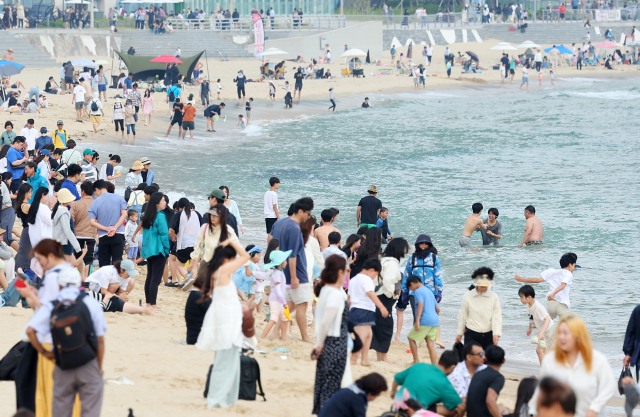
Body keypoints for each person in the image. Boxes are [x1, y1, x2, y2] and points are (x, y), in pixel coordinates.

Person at [25, 268, 106, 417]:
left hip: (63, 364)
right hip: (88, 363)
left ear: (59, 285)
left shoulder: (52, 305)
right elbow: (100, 339)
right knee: (90, 410)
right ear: (78, 284)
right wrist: (99, 367)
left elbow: (30, 331)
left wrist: (45, 352)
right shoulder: (90, 303)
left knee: (60, 411)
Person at [196, 239, 251, 408]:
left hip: (225, 317)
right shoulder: (222, 270)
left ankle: (223, 398)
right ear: (226, 258)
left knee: (227, 360)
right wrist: (232, 242)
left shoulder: (216, 271)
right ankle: (217, 399)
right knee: (225, 361)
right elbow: (246, 256)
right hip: (227, 319)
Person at [528, 315, 616, 417]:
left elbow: (609, 387)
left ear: (578, 335)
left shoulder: (596, 359)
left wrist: (594, 409)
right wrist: (532, 412)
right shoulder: (550, 360)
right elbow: (540, 392)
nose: (561, 337)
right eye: (559, 333)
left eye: (566, 333)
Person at [391, 350, 464, 416]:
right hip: (414, 412)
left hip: (397, 405)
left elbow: (397, 378)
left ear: (439, 360)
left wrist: (393, 392)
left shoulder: (419, 365)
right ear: (452, 367)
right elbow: (461, 407)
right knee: (454, 410)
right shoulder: (445, 383)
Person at [401, 234, 444, 345]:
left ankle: (428, 340)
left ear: (429, 245)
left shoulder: (434, 258)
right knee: (417, 315)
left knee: (429, 315)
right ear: (417, 245)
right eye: (421, 243)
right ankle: (417, 340)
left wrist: (439, 291)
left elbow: (438, 275)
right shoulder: (412, 258)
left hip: (431, 292)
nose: (424, 246)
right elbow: (406, 275)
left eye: (426, 243)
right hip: (414, 293)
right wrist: (404, 291)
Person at [372, 238, 408, 363]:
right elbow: (388, 281)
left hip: (376, 295)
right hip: (384, 296)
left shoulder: (382, 259)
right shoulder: (392, 262)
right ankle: (384, 358)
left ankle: (380, 357)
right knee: (386, 327)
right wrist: (391, 295)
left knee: (379, 326)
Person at [348, 258, 389, 366]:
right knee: (362, 336)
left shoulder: (354, 279)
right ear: (372, 270)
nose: (374, 277)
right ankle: (354, 358)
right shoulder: (367, 280)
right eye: (375, 274)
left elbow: (349, 298)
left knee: (369, 334)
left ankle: (365, 359)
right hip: (365, 310)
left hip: (355, 309)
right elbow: (371, 294)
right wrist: (382, 307)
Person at [515, 252, 577, 319]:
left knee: (546, 321)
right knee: (567, 324)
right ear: (570, 265)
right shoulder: (568, 273)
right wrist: (553, 293)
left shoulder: (551, 271)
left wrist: (522, 279)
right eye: (574, 265)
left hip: (551, 303)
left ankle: (535, 327)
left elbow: (537, 280)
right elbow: (563, 285)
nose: (574, 268)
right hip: (562, 304)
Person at [456, 267, 502, 349]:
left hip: (488, 334)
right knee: (472, 358)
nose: (484, 283)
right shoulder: (468, 296)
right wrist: (459, 333)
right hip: (471, 332)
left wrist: (496, 333)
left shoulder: (494, 297)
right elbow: (463, 316)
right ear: (475, 281)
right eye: (481, 279)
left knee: (485, 359)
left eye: (487, 279)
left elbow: (497, 317)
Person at [139, 192, 169, 308]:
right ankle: (153, 304)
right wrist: (167, 251)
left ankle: (148, 303)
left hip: (148, 250)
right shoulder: (160, 216)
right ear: (157, 203)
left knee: (150, 277)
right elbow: (164, 235)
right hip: (158, 250)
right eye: (163, 200)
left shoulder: (148, 215)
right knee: (155, 279)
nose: (165, 202)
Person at [89, 179, 127, 266]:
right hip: (118, 234)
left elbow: (92, 222)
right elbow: (124, 214)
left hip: (103, 236)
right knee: (117, 262)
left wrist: (107, 228)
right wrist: (115, 227)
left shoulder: (94, 203)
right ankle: (116, 279)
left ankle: (105, 279)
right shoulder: (119, 198)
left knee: (103, 262)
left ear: (97, 189)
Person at [317, 373, 388, 417]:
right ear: (372, 392)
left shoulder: (349, 390)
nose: (377, 396)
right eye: (378, 394)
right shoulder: (357, 398)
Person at [406, 274, 439, 365]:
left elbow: (421, 304)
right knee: (430, 345)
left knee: (411, 338)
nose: (411, 290)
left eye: (410, 288)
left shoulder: (418, 291)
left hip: (424, 320)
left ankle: (416, 360)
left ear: (412, 284)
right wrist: (435, 318)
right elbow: (438, 308)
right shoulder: (429, 291)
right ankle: (434, 364)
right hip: (434, 321)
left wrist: (417, 321)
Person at [466, 345, 506, 417]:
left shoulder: (478, 373)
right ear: (503, 361)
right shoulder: (498, 377)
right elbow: (490, 400)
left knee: (506, 410)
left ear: (486, 359)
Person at [260, 249, 291, 340]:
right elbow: (277, 289)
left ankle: (283, 337)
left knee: (285, 317)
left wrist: (291, 286)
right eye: (285, 260)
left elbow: (282, 286)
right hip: (275, 300)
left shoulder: (280, 273)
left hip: (279, 300)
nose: (286, 262)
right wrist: (284, 301)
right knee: (274, 318)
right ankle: (263, 336)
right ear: (280, 263)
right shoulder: (277, 274)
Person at [70, 180, 97, 280]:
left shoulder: (76, 204)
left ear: (83, 191)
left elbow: (70, 219)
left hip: (77, 235)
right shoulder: (96, 204)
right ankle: (86, 279)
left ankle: (78, 277)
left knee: (77, 257)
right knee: (89, 258)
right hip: (91, 234)